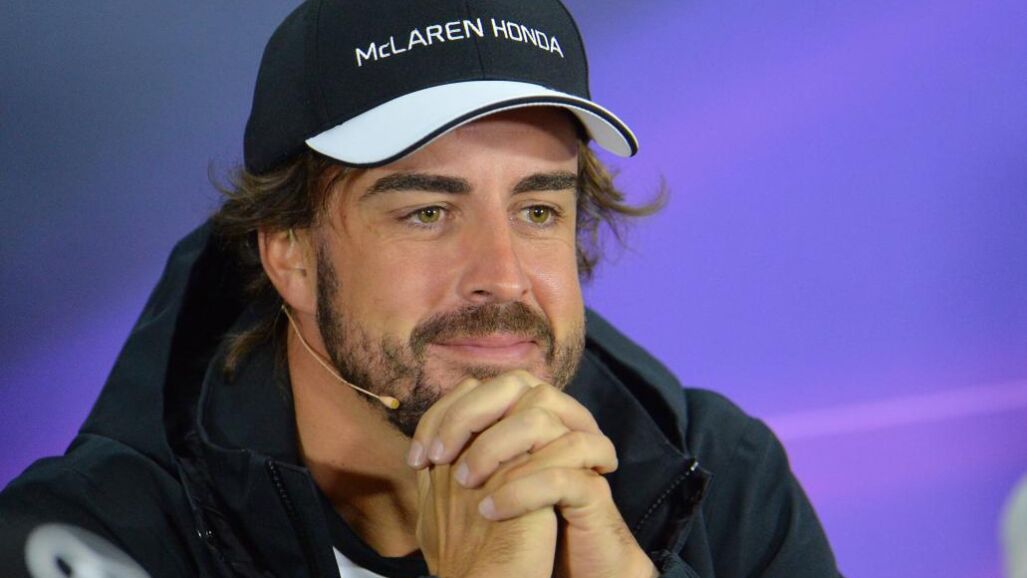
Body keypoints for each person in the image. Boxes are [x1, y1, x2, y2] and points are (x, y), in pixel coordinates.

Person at [0, 1, 841, 577]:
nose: (501, 275)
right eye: (428, 212)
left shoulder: (723, 484)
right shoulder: (89, 542)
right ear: (289, 253)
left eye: (538, 210)